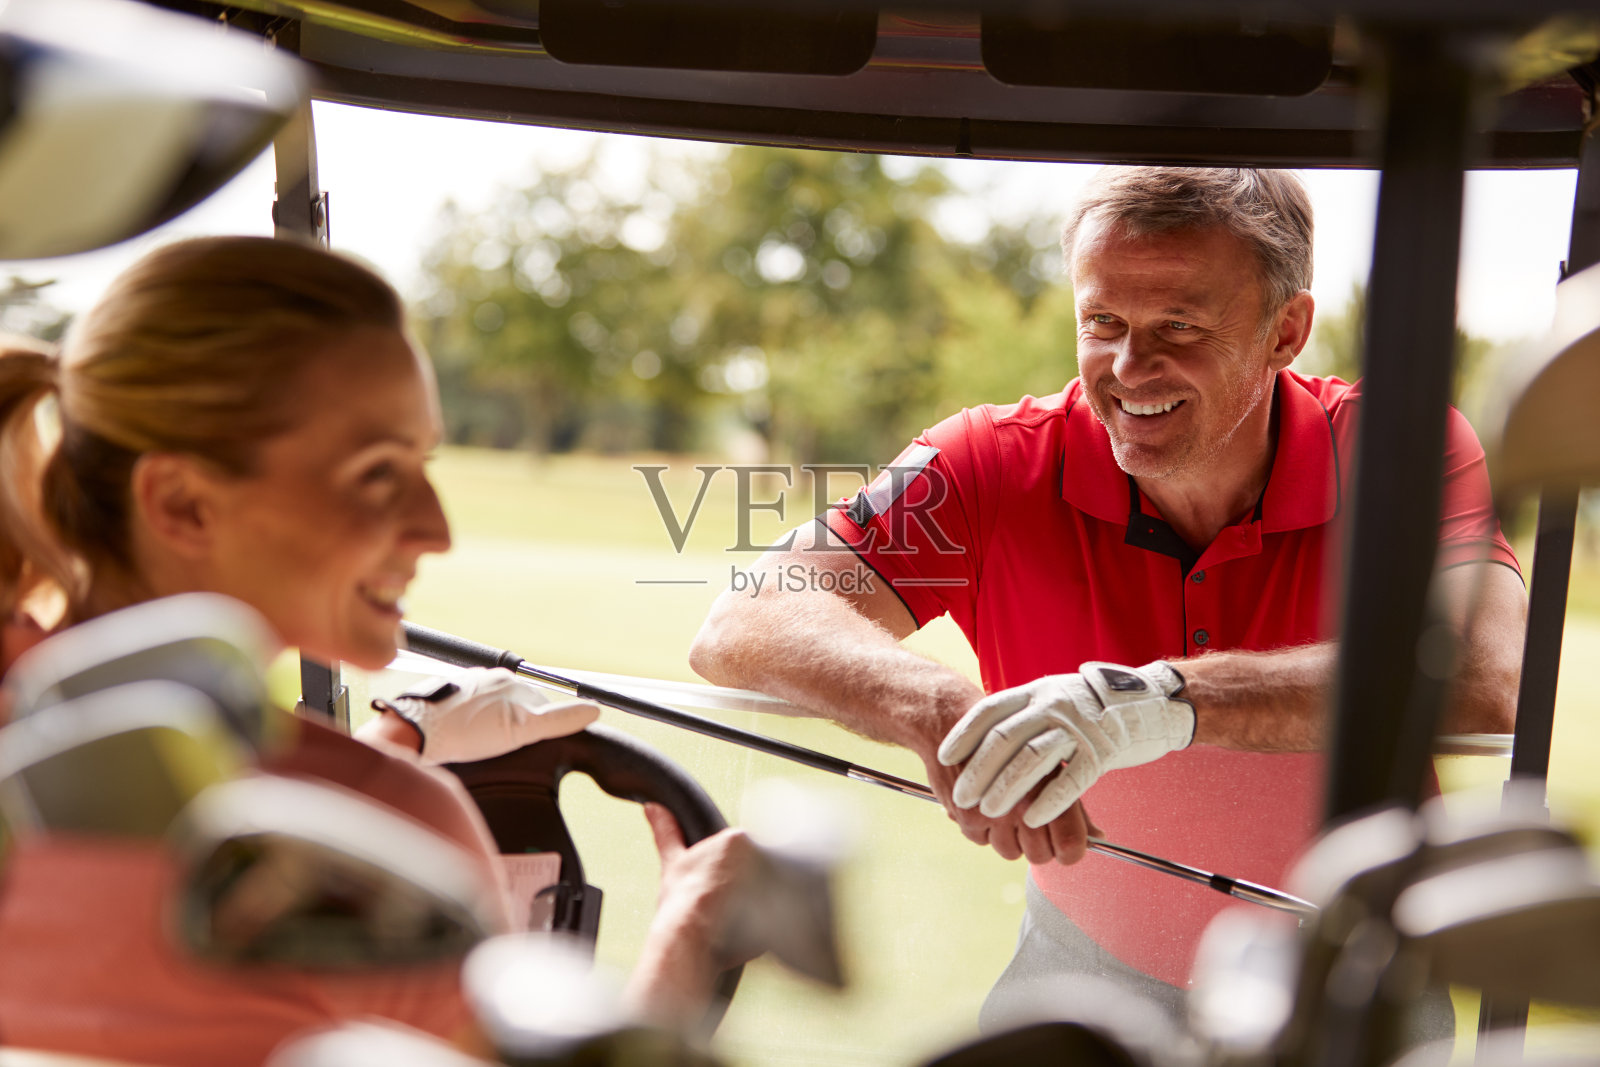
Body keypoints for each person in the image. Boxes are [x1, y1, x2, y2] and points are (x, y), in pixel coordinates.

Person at [689, 167, 1526, 1030]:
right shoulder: (989, 460)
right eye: (1103, 322)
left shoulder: (1405, 445)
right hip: (1082, 968)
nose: (1130, 367)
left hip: (1352, 980)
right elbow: (745, 618)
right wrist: (942, 709)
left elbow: (1486, 676)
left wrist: (1153, 702)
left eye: (1180, 325)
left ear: (1287, 331)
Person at [0, 235, 754, 1065]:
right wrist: (686, 938)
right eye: (376, 473)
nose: (436, 529)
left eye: (423, 463)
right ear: (181, 502)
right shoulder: (402, 827)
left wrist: (397, 741)